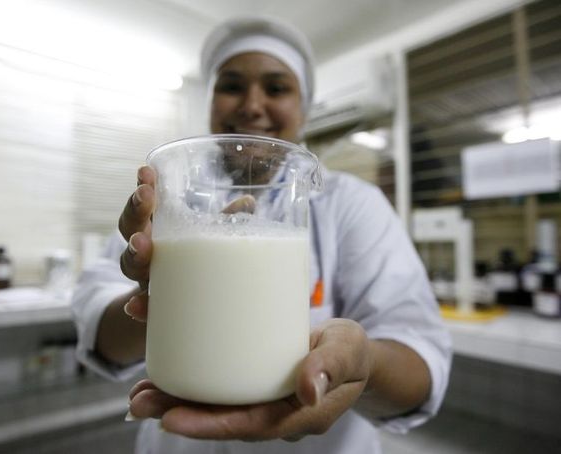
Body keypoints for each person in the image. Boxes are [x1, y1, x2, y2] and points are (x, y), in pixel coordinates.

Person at [72, 15, 452, 454]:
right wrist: (160, 299)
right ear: (211, 101)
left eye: (276, 88)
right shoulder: (169, 206)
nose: (252, 105)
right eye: (232, 85)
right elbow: (95, 323)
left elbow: (421, 362)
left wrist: (363, 363)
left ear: (304, 109)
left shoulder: (351, 204)